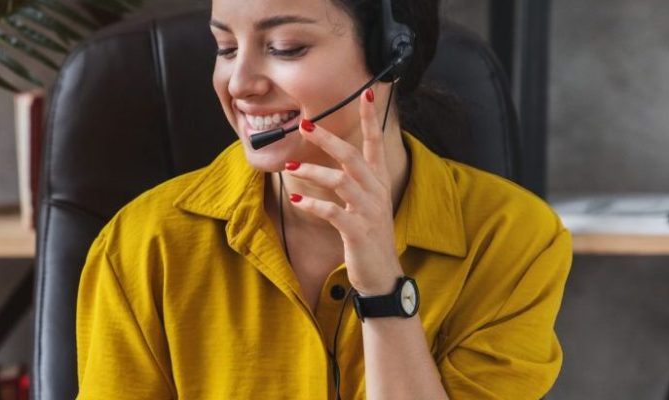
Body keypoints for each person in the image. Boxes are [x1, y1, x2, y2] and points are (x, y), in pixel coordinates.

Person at [74, 0, 572, 398]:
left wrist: (382, 290)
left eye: (286, 47)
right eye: (225, 48)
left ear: (391, 55)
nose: (240, 84)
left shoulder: (514, 239)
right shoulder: (141, 244)